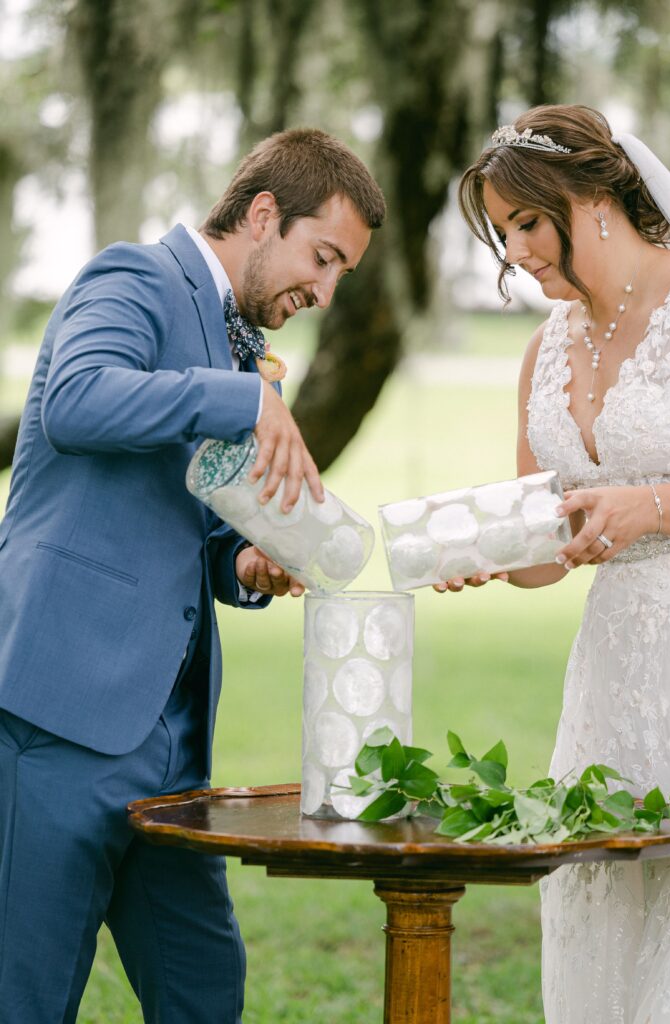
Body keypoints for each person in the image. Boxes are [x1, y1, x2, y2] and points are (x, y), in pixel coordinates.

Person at [0, 127, 385, 1023]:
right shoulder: (133, 277)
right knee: (27, 996)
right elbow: (75, 402)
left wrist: (247, 561)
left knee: (204, 989)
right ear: (263, 215)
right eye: (323, 258)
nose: (325, 292)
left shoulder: (245, 350)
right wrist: (243, 398)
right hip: (59, 719)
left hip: (172, 747)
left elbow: (202, 526)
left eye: (341, 274)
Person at [448, 104, 670, 1022]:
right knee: (610, 903)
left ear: (592, 199)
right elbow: (550, 550)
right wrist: (488, 550)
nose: (515, 253)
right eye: (503, 234)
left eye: (526, 224)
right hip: (615, 676)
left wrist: (650, 505)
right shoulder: (545, 349)